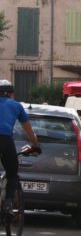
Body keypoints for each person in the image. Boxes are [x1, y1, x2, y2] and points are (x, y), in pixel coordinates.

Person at [0, 80, 40, 213]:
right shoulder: (16, 106)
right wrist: (35, 144)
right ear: (11, 94)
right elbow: (29, 131)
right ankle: (9, 202)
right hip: (5, 140)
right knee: (12, 173)